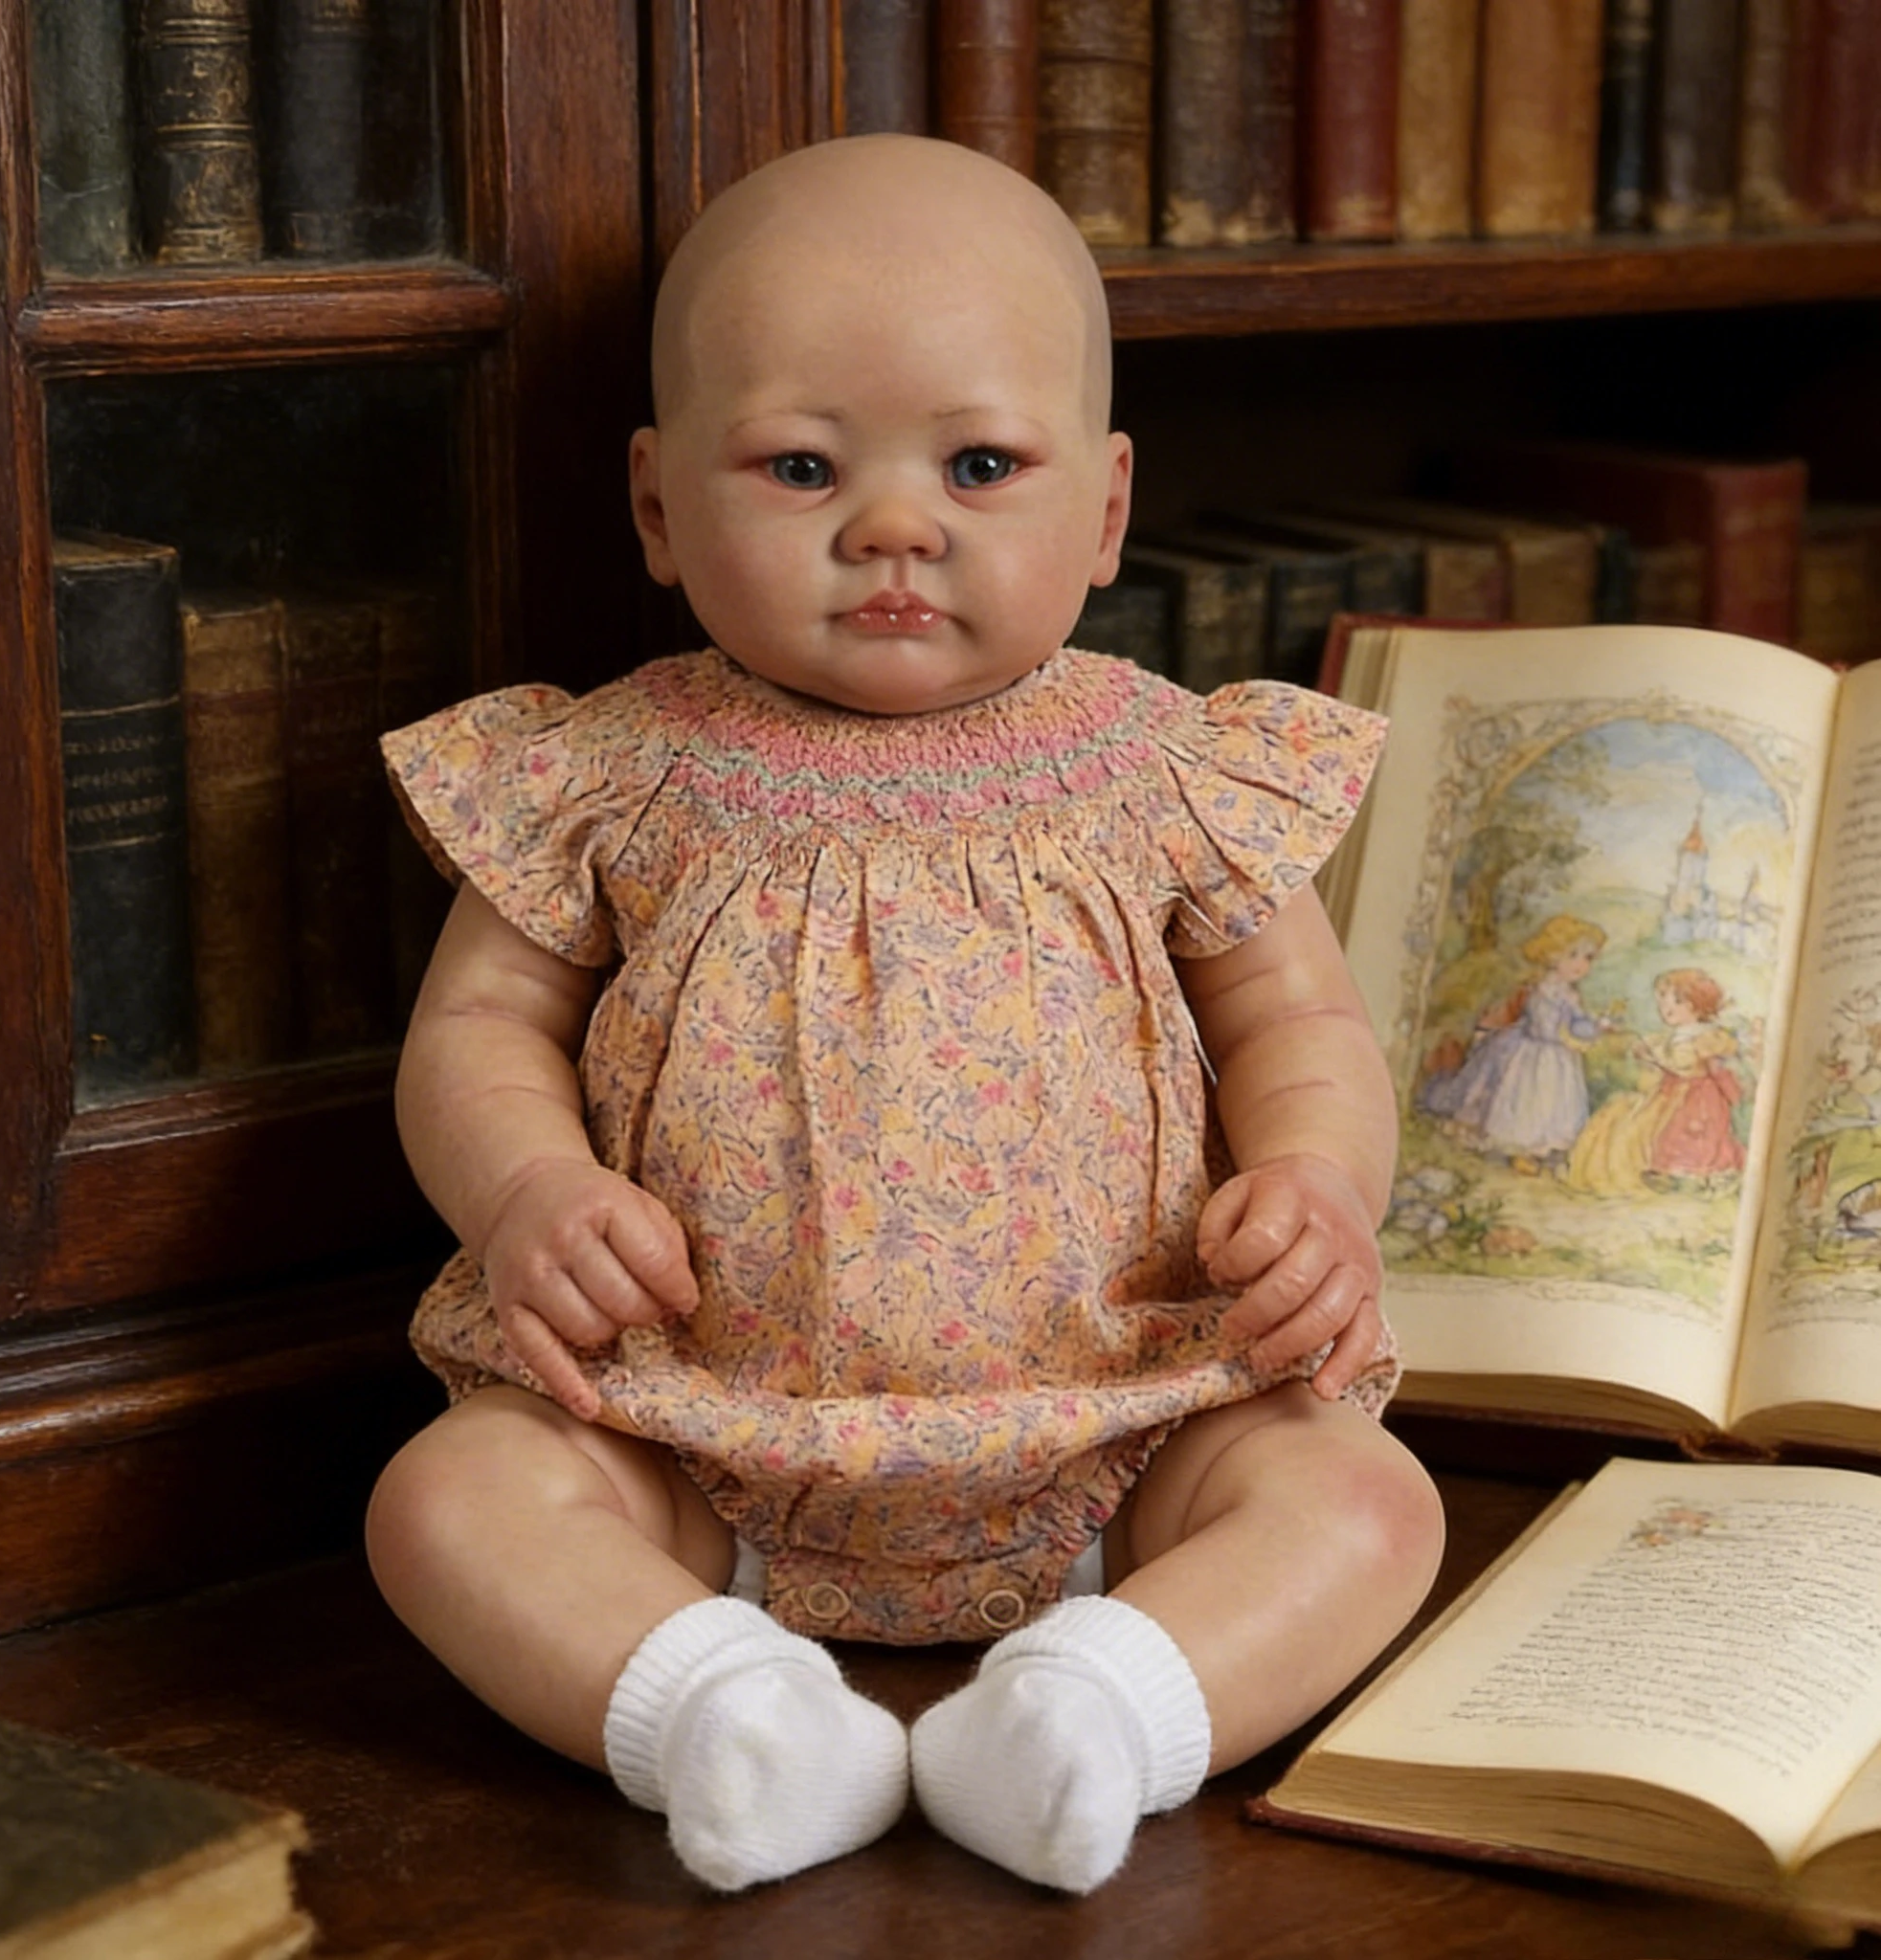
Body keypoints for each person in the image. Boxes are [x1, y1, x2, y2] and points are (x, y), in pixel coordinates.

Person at [363, 133, 1444, 1901]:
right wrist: (523, 1196)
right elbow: (474, 1034)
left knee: (1365, 1501)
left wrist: (1320, 1185)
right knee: (445, 1502)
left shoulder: (1167, 766)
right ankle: (724, 1706)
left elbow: (1295, 1030)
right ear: (655, 507)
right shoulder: (609, 771)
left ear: (1098, 511)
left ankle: (1099, 1703)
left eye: (978, 464)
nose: (889, 524)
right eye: (799, 464)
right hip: (681, 1438)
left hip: (1130, 1429)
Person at [1421, 915, 1615, 1175]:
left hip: (1559, 1056)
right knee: (1528, 1102)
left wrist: (1597, 1025)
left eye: (1588, 958)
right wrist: (1572, 1038)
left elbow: (1577, 1022)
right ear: (1552, 955)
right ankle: (1521, 1152)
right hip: (1535, 1053)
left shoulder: (1570, 993)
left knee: (1555, 1104)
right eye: (1574, 955)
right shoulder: (1544, 989)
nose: (1581, 964)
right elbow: (1544, 1028)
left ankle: (1546, 1148)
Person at [1566, 969, 1747, 1194]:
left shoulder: (1705, 1037)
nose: (1665, 1008)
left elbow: (1682, 1064)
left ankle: (1691, 1174)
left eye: (1676, 1002)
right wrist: (1647, 1054)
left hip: (1696, 1097)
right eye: (1662, 1001)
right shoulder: (1676, 1036)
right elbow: (1665, 1062)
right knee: (1633, 1122)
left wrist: (1653, 1055)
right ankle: (1666, 1173)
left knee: (1686, 1134)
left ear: (1696, 1005)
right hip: (1670, 1093)